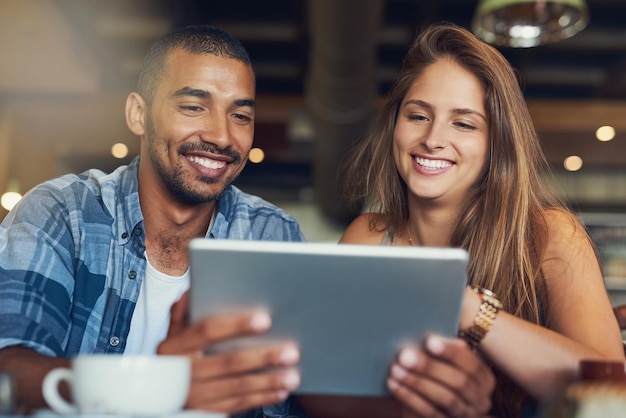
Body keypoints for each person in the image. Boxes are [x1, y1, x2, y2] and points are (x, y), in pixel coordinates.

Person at [0, 25, 305, 417]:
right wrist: (157, 385)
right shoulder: (63, 212)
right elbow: (10, 373)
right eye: (194, 107)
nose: (222, 136)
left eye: (240, 115)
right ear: (138, 114)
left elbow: (292, 400)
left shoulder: (273, 236)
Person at [338, 22, 625, 418]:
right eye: (418, 116)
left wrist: (466, 308)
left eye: (464, 123)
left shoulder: (551, 235)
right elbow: (324, 388)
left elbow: (609, 391)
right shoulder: (368, 237)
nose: (433, 138)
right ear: (395, 125)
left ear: (496, 145)